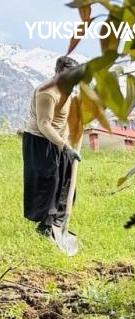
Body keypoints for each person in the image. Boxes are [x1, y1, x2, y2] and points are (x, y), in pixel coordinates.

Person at [22, 56, 81, 237]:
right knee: (50, 181)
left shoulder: (69, 92)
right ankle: (44, 227)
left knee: (66, 182)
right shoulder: (47, 92)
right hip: (40, 140)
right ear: (59, 72)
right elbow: (44, 124)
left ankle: (57, 225)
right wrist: (64, 145)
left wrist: (72, 139)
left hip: (60, 142)